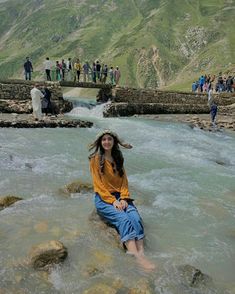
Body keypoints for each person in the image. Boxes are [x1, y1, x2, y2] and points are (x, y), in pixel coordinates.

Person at [89, 130, 156, 271]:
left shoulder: (118, 157)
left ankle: (142, 252)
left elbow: (124, 181)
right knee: (123, 219)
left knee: (135, 218)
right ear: (100, 143)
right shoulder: (95, 159)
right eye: (104, 140)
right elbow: (98, 185)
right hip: (104, 198)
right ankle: (137, 257)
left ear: (114, 142)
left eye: (109, 139)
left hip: (121, 196)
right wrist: (113, 201)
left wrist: (124, 197)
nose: (107, 142)